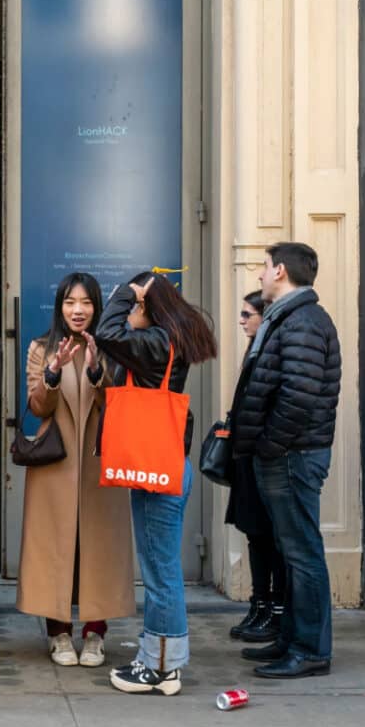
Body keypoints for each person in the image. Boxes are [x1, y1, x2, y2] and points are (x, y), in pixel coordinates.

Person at [96, 271, 218, 696]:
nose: (130, 313)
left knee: (161, 572)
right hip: (165, 465)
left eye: (135, 306)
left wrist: (120, 294)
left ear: (148, 306)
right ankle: (156, 655)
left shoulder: (156, 344)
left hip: (157, 472)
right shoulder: (164, 344)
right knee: (159, 568)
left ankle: (163, 668)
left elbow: (107, 331)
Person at [228, 244, 342, 679]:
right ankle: (293, 639)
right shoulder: (289, 318)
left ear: (279, 270)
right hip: (284, 454)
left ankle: (310, 649)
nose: (258, 276)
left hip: (293, 456)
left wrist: (270, 445)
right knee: (291, 552)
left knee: (302, 554)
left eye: (262, 267)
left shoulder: (304, 321)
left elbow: (298, 394)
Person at [18, 272, 135, 669]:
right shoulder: (40, 347)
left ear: (96, 307)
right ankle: (58, 632)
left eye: (85, 303)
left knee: (98, 547)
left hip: (100, 463)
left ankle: (96, 634)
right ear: (60, 307)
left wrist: (96, 373)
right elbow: (37, 408)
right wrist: (52, 374)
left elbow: (117, 404)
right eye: (70, 302)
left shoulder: (110, 348)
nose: (78, 310)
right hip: (56, 466)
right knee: (56, 548)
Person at [222, 291, 286, 645]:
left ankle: (274, 609)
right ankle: (260, 603)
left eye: (249, 314)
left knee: (270, 537)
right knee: (255, 533)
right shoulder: (255, 349)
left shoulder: (269, 349)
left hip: (261, 453)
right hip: (246, 453)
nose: (243, 320)